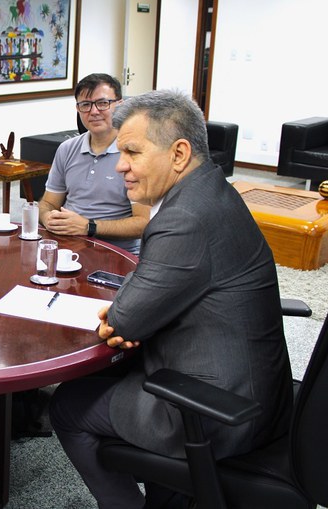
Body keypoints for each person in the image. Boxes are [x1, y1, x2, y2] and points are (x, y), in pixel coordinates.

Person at [49, 90, 293, 508]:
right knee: (100, 374)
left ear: (179, 153)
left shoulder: (183, 219)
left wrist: (126, 319)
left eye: (132, 152)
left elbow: (125, 320)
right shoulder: (211, 190)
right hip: (260, 392)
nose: (120, 164)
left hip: (215, 412)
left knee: (68, 405)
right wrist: (131, 314)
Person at [38, 73, 149, 255]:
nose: (94, 111)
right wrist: (47, 217)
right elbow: (48, 202)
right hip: (67, 247)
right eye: (86, 105)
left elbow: (143, 223)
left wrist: (88, 227)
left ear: (119, 105)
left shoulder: (135, 154)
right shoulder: (67, 149)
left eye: (103, 103)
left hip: (114, 254)